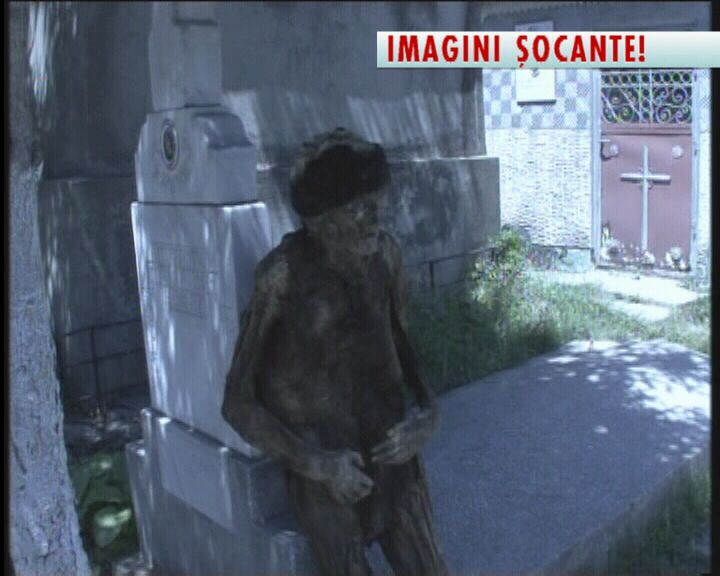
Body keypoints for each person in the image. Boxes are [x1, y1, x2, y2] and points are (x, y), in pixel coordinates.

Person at [222, 127, 448, 576]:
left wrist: (427, 416)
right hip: (324, 463)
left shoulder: (386, 257)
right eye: (359, 208)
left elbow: (402, 346)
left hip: (389, 447)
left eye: (376, 203)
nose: (375, 219)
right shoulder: (281, 277)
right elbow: (236, 404)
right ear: (320, 221)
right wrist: (318, 466)